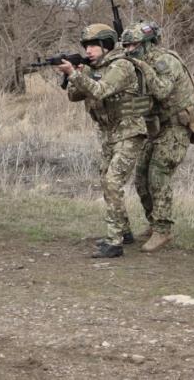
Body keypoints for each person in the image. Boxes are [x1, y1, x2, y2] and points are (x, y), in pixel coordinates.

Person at [57, 24, 152, 258]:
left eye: (93, 45)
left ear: (106, 45)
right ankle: (123, 231)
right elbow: (74, 96)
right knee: (105, 179)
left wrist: (74, 73)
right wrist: (76, 74)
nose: (88, 50)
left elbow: (100, 91)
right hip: (109, 134)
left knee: (113, 180)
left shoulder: (121, 66)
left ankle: (114, 242)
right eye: (86, 46)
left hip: (129, 131)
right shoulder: (95, 68)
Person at [121, 21, 194, 253]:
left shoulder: (165, 61)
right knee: (140, 178)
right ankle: (154, 222)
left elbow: (162, 91)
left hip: (177, 126)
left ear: (147, 44)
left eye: (134, 45)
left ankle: (163, 230)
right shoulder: (141, 61)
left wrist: (142, 68)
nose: (129, 50)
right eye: (126, 46)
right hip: (156, 127)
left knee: (158, 175)